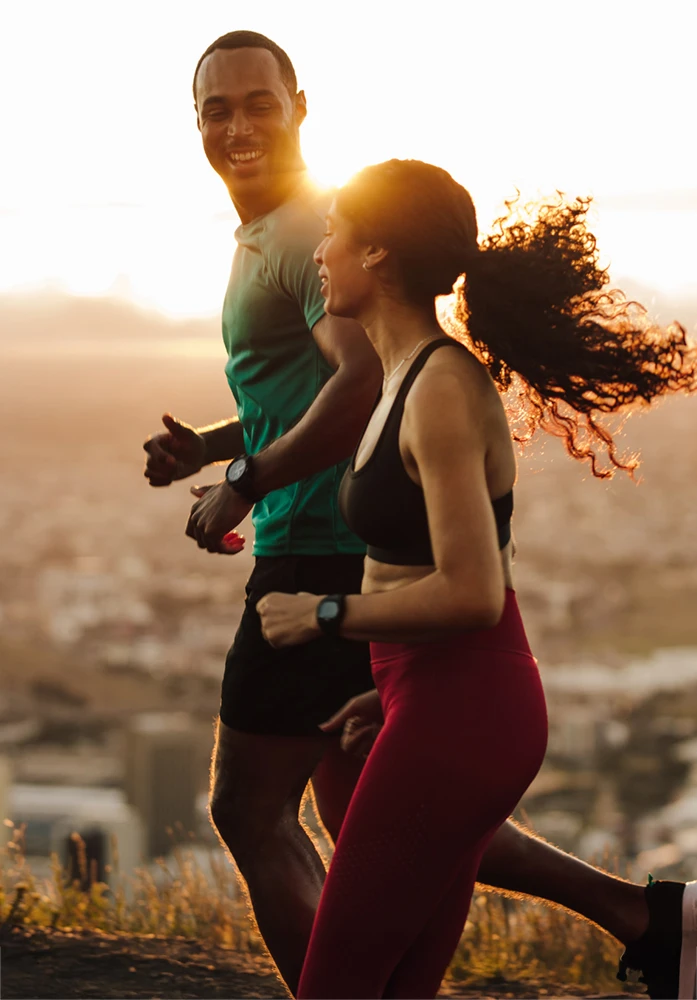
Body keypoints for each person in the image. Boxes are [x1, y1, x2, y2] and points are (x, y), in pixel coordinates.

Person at [143, 31, 697, 999]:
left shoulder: (312, 242)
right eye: (214, 108)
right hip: (371, 595)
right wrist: (214, 445)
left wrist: (252, 483)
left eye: (258, 103)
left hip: (323, 558)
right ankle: (645, 916)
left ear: (299, 109)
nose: (235, 125)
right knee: (376, 809)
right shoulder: (290, 242)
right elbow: (324, 386)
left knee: (254, 809)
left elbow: (358, 381)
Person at [257, 161, 697, 998]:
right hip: (436, 699)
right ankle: (666, 925)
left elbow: (474, 592)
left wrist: (322, 614)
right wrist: (394, 688)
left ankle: (665, 922)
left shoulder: (440, 389)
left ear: (376, 252)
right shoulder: (403, 377)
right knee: (395, 986)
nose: (318, 252)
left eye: (333, 232)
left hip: (465, 716)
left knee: (336, 983)